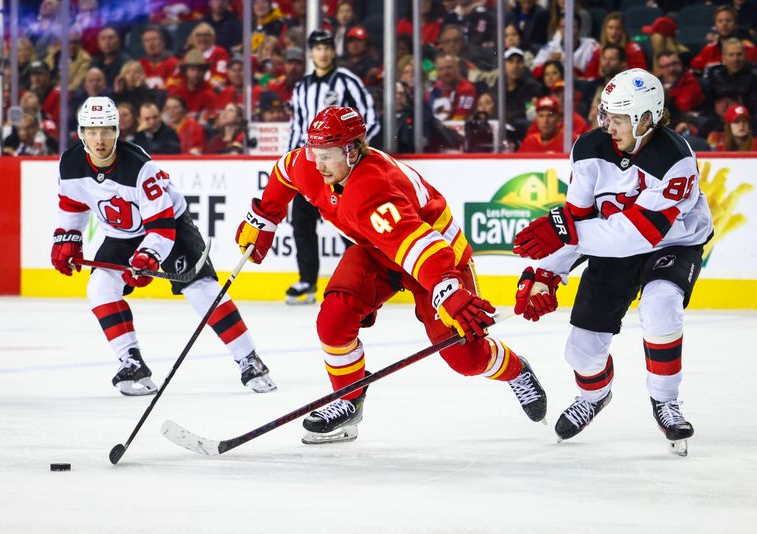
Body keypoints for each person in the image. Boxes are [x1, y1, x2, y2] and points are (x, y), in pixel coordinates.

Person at [235, 105, 547, 445]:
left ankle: (516, 369)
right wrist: (264, 218)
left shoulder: (373, 188)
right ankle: (348, 400)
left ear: (352, 151)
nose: (318, 163)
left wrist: (447, 289)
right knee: (334, 317)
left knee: (466, 359)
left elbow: (420, 245)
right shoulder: (311, 165)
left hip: (438, 260)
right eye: (315, 152)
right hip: (378, 251)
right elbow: (284, 171)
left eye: (327, 156)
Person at [511, 68, 713, 455]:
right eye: (605, 115)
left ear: (647, 119)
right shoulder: (589, 149)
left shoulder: (676, 160)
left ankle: (665, 401)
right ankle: (594, 394)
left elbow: (634, 236)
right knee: (580, 350)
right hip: (612, 245)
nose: (608, 125)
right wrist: (545, 274)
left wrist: (565, 233)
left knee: (660, 306)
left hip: (670, 245)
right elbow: (580, 221)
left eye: (618, 119)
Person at [51, 96, 276, 396]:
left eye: (106, 130)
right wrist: (68, 237)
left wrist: (148, 257)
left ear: (117, 131)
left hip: (171, 226)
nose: (99, 139)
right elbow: (72, 203)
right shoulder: (70, 163)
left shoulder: (139, 166)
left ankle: (249, 359)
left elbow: (161, 227)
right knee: (100, 288)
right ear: (81, 134)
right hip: (121, 234)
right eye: (92, 131)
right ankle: (131, 362)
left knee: (201, 290)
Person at [285, 29, 379, 305]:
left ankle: (361, 280)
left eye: (327, 47)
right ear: (310, 52)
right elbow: (296, 127)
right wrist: (292, 163)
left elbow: (369, 118)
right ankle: (307, 281)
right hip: (309, 166)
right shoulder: (301, 87)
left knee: (348, 223)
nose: (323, 53)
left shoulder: (347, 82)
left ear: (333, 51)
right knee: (301, 222)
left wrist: (354, 155)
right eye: (317, 48)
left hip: (341, 167)